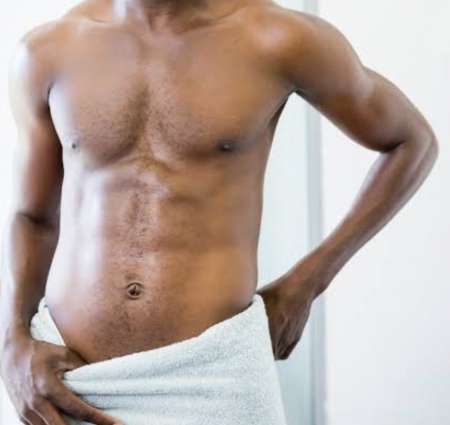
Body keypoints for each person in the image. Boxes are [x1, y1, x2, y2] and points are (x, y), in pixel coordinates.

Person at [0, 0, 438, 424]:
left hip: (215, 377)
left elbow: (411, 142)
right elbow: (32, 218)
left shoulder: (277, 38)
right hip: (71, 381)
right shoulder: (49, 51)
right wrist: (13, 340)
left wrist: (304, 285)